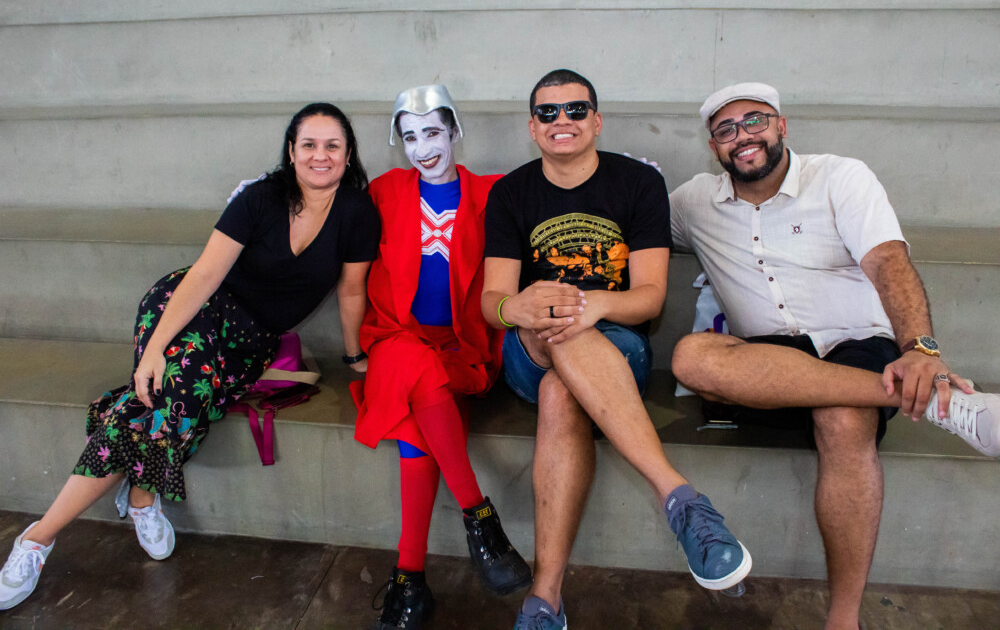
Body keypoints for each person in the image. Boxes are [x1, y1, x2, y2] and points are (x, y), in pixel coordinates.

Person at [0, 103, 379, 611]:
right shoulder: (260, 198)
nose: (320, 155)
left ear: (349, 154)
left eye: (333, 145)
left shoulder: (356, 212)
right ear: (291, 151)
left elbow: (352, 289)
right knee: (165, 394)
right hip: (193, 308)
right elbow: (204, 275)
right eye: (308, 144)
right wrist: (154, 349)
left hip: (249, 343)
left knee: (170, 400)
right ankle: (38, 539)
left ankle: (140, 493)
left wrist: (354, 355)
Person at [668, 82, 1000, 629]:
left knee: (844, 419)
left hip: (857, 342)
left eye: (755, 120)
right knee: (690, 357)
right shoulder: (691, 202)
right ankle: (936, 403)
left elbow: (888, 262)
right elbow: (634, 227)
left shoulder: (840, 176)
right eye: (725, 129)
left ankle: (843, 621)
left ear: (781, 126)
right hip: (768, 363)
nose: (742, 136)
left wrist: (919, 348)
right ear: (713, 146)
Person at [481, 69, 751, 630]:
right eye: (548, 112)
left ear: (597, 121)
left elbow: (650, 298)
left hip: (619, 347)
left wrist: (595, 304)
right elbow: (492, 301)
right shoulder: (510, 192)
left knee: (562, 388)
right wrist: (517, 309)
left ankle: (544, 599)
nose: (562, 121)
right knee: (557, 333)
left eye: (576, 110)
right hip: (529, 350)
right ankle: (679, 498)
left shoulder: (637, 183)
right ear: (532, 127)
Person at [350, 85, 531, 629]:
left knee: (416, 424)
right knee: (413, 366)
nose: (423, 148)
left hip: (460, 346)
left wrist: (623, 177)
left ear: (454, 131)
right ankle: (479, 515)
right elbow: (327, 210)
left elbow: (554, 196)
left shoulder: (493, 192)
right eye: (410, 137)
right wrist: (271, 196)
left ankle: (410, 580)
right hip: (395, 336)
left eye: (432, 133)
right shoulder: (384, 191)